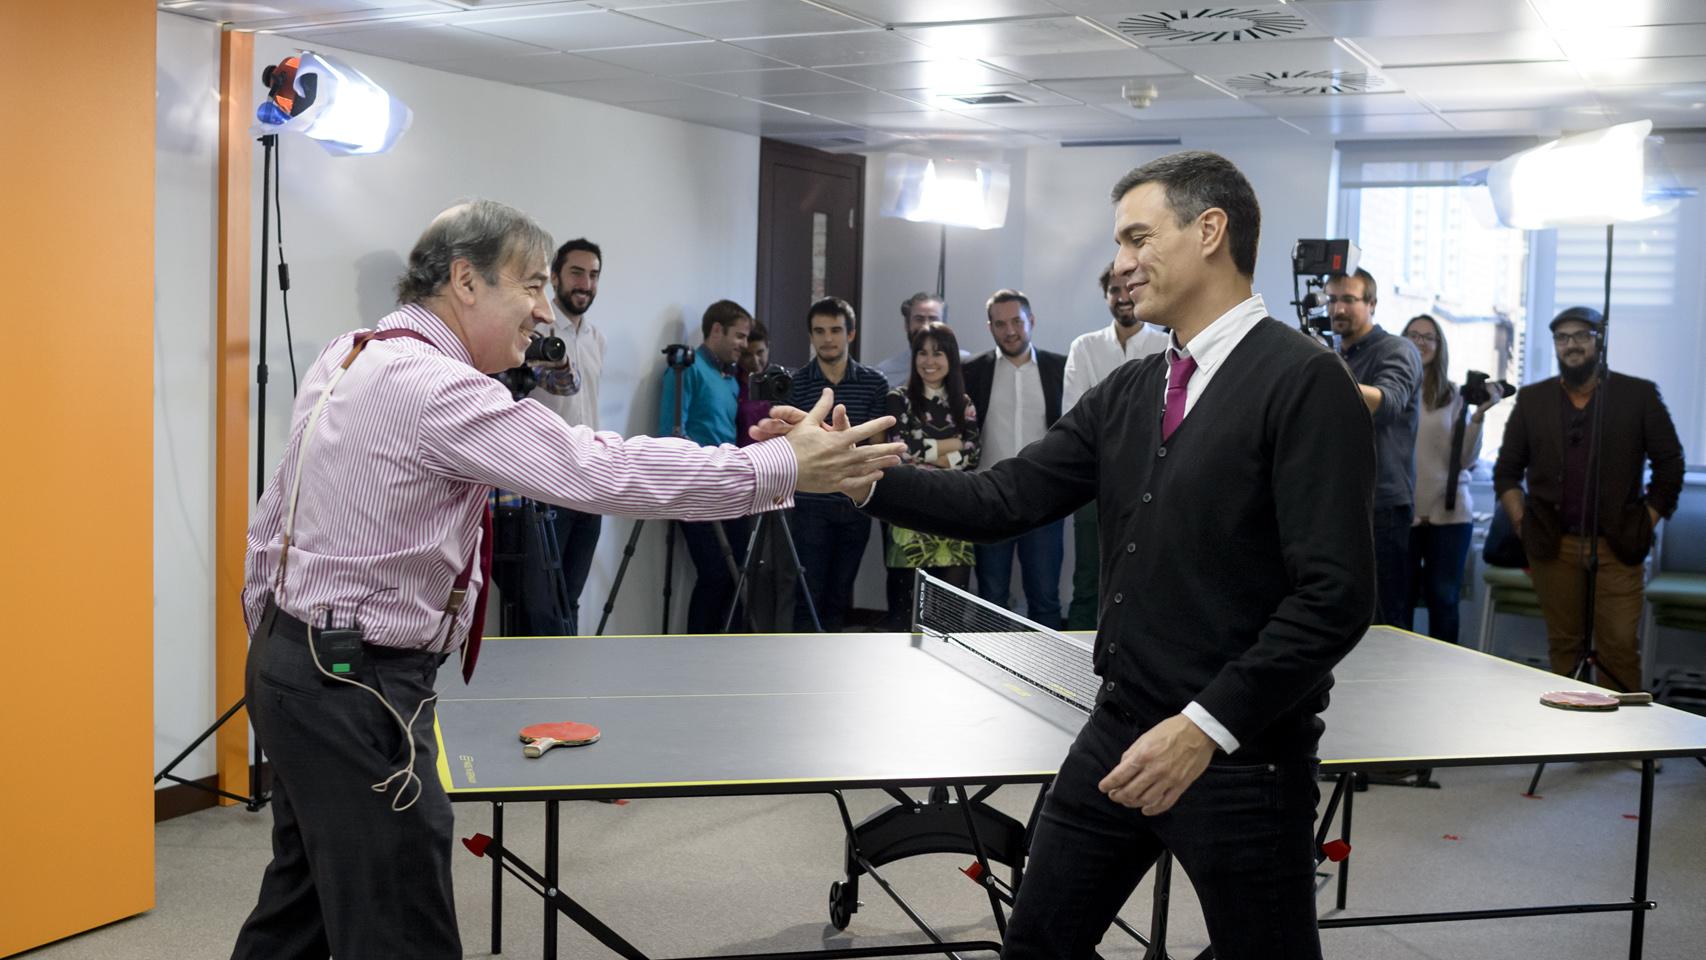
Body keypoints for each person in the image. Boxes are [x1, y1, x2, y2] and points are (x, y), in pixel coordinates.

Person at [232, 200, 901, 960]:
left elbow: (274, 517)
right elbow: (602, 470)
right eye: (531, 284)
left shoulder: (352, 351)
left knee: (303, 908)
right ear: (465, 281)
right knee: (398, 927)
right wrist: (778, 467)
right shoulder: (439, 389)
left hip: (299, 665)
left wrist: (283, 648)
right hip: (355, 685)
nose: (544, 309)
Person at [812, 151, 1373, 959]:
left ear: (1209, 231)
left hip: (1243, 757)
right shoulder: (1134, 389)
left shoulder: (1304, 382)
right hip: (1118, 731)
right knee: (1038, 946)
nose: (1119, 265)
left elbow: (1336, 597)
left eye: (1137, 238)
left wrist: (1204, 728)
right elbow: (1001, 499)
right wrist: (862, 475)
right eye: (1119, 244)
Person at [1493, 306, 1684, 691]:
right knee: (1565, 649)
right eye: (1562, 338)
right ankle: (1571, 745)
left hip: (1617, 546)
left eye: (1582, 335)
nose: (1572, 345)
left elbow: (1670, 465)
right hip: (1553, 546)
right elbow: (1506, 472)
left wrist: (1646, 519)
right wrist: (1520, 523)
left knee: (1618, 650)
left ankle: (1626, 749)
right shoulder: (1533, 399)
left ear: (1600, 340)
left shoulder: (1637, 395)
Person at [488, 237, 606, 635]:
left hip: (589, 480)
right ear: (554, 277)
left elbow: (578, 395)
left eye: (593, 275)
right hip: (543, 480)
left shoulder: (595, 338)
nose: (585, 283)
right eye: (576, 273)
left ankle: (563, 685)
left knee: (568, 597)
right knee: (540, 605)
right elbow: (556, 387)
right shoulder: (529, 330)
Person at [1061, 262, 1170, 629]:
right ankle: (1071, 660)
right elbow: (1076, 416)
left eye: (1128, 288)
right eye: (1114, 290)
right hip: (1093, 485)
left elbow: (1167, 416)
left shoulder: (1166, 344)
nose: (1123, 297)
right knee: (1088, 579)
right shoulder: (1085, 347)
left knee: (1147, 580)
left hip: (1152, 483)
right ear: (1105, 295)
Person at [965, 289, 1067, 627]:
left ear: (1031, 321)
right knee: (991, 596)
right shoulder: (972, 372)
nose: (1010, 331)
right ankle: (989, 676)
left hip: (1044, 500)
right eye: (1000, 324)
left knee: (1045, 597)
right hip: (989, 498)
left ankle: (1050, 676)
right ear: (990, 327)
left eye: (1016, 322)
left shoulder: (1060, 368)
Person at [787, 296, 890, 631]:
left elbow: (877, 448)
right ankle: (798, 676)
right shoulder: (797, 384)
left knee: (839, 597)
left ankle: (828, 676)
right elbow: (791, 448)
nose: (827, 338)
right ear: (811, 336)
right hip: (808, 505)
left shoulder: (875, 383)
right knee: (807, 595)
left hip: (855, 506)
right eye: (819, 331)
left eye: (835, 330)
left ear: (850, 334)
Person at [1401, 314, 1504, 644]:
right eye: (1413, 335)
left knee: (1443, 603)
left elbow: (1466, 460)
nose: (1421, 342)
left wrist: (1477, 416)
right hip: (1401, 515)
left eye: (1429, 337)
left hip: (1450, 515)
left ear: (1439, 346)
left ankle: (1441, 681)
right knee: (1396, 605)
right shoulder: (1391, 391)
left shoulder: (1455, 396)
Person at [1327, 267, 1421, 627]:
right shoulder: (1330, 353)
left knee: (1384, 618)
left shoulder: (1398, 349)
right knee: (1337, 612)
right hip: (1335, 500)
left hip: (1382, 505)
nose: (1338, 309)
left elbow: (1388, 403)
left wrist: (1322, 368)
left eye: (1349, 299)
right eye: (1331, 299)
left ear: (1372, 304)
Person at [659, 299, 756, 633]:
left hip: (730, 487)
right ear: (717, 329)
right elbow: (670, 431)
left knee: (739, 572)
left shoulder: (729, 378)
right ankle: (697, 652)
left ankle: (727, 652)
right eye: (740, 336)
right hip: (697, 489)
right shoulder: (687, 369)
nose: (744, 345)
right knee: (714, 573)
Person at [883, 321, 980, 612]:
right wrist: (951, 446)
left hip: (955, 514)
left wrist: (927, 452)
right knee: (906, 614)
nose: (929, 361)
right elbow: (902, 451)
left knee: (950, 614)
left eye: (938, 353)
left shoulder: (963, 403)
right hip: (910, 513)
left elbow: (972, 456)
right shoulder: (898, 399)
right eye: (922, 353)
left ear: (951, 357)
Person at [874, 291, 969, 388]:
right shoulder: (886, 372)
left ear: (944, 325)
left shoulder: (965, 363)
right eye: (919, 319)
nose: (926, 326)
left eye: (933, 318)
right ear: (907, 325)